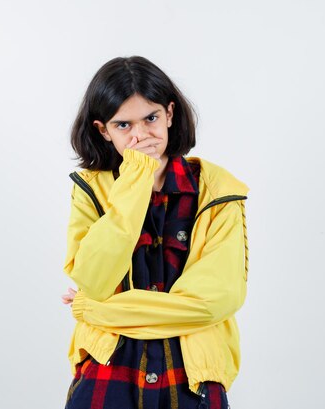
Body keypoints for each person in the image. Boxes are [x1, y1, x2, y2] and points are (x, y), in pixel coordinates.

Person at [61, 55, 250, 409]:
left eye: (151, 118)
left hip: (192, 373)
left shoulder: (218, 190)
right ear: (103, 130)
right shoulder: (90, 189)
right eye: (123, 125)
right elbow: (94, 278)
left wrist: (96, 310)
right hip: (107, 368)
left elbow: (212, 304)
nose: (141, 135)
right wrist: (135, 178)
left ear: (170, 114)